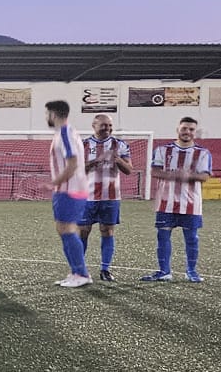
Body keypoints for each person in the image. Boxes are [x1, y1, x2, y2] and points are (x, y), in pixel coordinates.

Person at [144, 116, 213, 283]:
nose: (187, 132)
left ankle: (191, 271)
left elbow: (204, 176)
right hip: (165, 202)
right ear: (178, 130)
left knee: (191, 238)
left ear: (195, 132)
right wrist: (174, 175)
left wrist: (189, 176)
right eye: (184, 129)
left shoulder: (203, 153)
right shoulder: (162, 150)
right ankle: (164, 271)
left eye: (191, 129)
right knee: (163, 236)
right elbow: (154, 171)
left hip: (191, 204)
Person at [78, 113, 135, 281]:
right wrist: (95, 161)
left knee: (107, 231)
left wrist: (116, 159)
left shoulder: (120, 145)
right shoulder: (83, 145)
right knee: (83, 231)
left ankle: (105, 269)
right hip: (87, 197)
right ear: (94, 126)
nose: (108, 129)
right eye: (104, 125)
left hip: (110, 197)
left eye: (110, 126)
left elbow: (129, 170)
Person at [44, 100, 92, 288]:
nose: (46, 117)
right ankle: (75, 271)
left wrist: (53, 183)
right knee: (63, 229)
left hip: (70, 190)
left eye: (47, 114)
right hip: (69, 189)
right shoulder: (66, 133)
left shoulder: (65, 133)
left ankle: (81, 273)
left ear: (53, 114)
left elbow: (72, 164)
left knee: (68, 229)